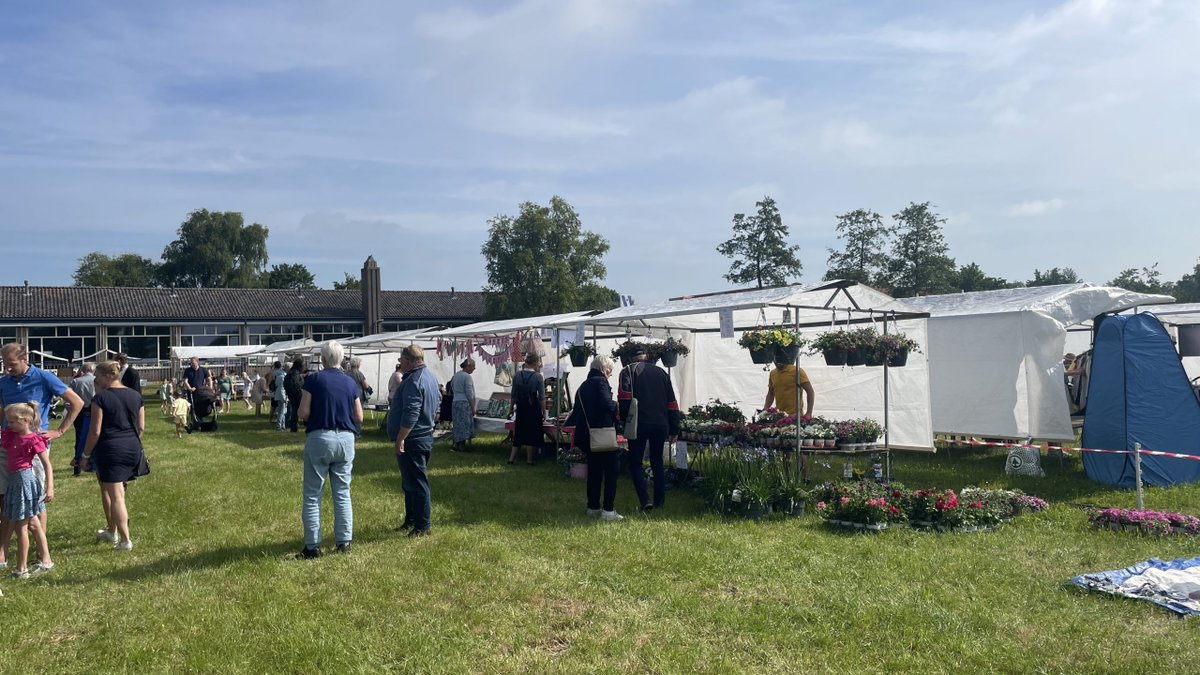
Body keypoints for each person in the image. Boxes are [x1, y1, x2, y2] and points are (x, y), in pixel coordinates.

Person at [0, 342, 83, 569]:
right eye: (5, 364)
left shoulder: (44, 377)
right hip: (7, 447)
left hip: (32, 449)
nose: (8, 369)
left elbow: (77, 402)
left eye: (12, 364)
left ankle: (41, 553)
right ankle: (3, 552)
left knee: (34, 500)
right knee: (5, 496)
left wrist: (60, 431)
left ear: (24, 359)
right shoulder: (4, 382)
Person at [296, 341, 363, 558]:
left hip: (320, 437)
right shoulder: (350, 382)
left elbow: (303, 412)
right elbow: (359, 416)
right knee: (342, 493)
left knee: (313, 494)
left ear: (323, 359)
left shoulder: (314, 380)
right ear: (342, 359)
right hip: (345, 438)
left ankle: (312, 546)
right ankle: (344, 543)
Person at [82, 360, 148, 552]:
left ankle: (125, 540)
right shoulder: (136, 395)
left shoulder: (100, 399)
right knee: (118, 491)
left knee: (117, 496)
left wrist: (85, 455)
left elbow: (95, 431)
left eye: (97, 377)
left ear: (107, 376)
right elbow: (141, 427)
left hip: (111, 448)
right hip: (133, 446)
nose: (96, 380)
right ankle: (112, 531)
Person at [618, 345, 681, 513]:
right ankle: (660, 502)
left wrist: (623, 421)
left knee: (636, 463)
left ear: (629, 358)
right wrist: (674, 428)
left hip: (638, 423)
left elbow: (624, 399)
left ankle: (645, 501)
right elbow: (672, 403)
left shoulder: (627, 371)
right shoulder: (662, 373)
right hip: (661, 424)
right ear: (646, 356)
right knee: (657, 462)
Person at [386, 344, 440, 538]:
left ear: (408, 361)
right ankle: (411, 520)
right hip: (423, 435)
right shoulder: (430, 378)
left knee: (417, 483)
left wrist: (401, 438)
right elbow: (438, 401)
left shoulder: (413, 381)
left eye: (401, 360)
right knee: (409, 482)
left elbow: (411, 412)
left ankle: (422, 526)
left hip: (413, 438)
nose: (400, 363)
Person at [565, 355, 622, 521]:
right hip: (602, 434)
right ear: (604, 370)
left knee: (594, 472)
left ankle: (593, 507)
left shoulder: (583, 386)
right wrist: (617, 406)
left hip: (587, 435)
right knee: (611, 471)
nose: (610, 375)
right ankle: (608, 510)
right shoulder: (600, 382)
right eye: (610, 372)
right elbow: (607, 404)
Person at [2, 402, 54, 578]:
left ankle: (21, 569)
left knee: (21, 527)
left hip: (24, 482)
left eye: (11, 422)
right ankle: (46, 561)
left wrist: (50, 487)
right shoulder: (12, 435)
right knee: (33, 523)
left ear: (24, 421)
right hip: (15, 482)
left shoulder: (33, 440)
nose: (8, 425)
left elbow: (47, 465)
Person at [508, 353, 545, 465]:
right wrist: (543, 411)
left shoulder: (517, 375)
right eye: (538, 362)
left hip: (521, 406)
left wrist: (511, 409)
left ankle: (511, 459)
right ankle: (529, 460)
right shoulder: (538, 377)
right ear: (535, 363)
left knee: (519, 432)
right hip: (533, 407)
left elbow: (513, 395)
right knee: (531, 432)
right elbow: (542, 397)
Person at [763, 355, 815, 419]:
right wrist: (766, 407)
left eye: (780, 359)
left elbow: (810, 391)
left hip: (795, 415)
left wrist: (809, 413)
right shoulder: (773, 373)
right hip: (779, 415)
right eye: (775, 359)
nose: (777, 362)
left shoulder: (797, 371)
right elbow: (771, 393)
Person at [68, 362, 97, 477]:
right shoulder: (97, 381)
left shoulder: (76, 382)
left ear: (82, 371)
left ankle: (77, 467)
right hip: (95, 410)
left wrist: (70, 410)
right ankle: (94, 464)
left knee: (80, 437)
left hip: (80, 412)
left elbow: (68, 397)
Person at [449, 358, 477, 451]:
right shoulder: (467, 377)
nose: (474, 369)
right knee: (464, 425)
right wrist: (473, 407)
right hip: (464, 403)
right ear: (468, 366)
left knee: (457, 424)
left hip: (455, 402)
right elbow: (469, 393)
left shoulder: (456, 375)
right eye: (473, 366)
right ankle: (461, 447)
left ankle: (456, 444)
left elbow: (451, 387)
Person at [285, 357, 306, 433]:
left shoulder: (290, 372)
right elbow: (296, 383)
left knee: (294, 409)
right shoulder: (295, 373)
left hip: (290, 393)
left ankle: (293, 426)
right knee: (297, 410)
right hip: (296, 393)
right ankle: (294, 427)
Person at [271, 361, 288, 430]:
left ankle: (283, 425)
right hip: (282, 394)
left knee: (282, 410)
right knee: (282, 411)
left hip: (278, 393)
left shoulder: (275, 374)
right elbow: (284, 387)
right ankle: (279, 426)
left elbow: (275, 384)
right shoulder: (284, 376)